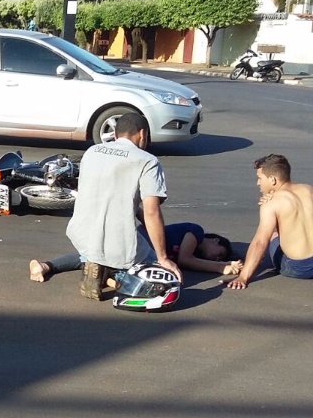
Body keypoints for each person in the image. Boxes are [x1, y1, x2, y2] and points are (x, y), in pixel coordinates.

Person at [65, 113, 182, 300]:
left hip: (82, 235)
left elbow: (111, 197)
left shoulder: (92, 152)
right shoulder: (147, 161)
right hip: (117, 243)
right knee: (158, 277)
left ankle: (93, 262)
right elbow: (152, 211)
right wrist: (163, 258)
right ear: (142, 134)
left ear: (115, 134)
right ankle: (118, 277)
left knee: (99, 250)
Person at [31, 223, 243, 282]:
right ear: (215, 239)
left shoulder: (198, 247)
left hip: (138, 247)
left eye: (218, 259)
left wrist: (220, 266)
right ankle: (106, 276)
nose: (216, 257)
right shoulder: (196, 232)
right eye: (219, 253)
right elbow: (186, 260)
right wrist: (221, 267)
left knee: (92, 258)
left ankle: (46, 266)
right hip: (140, 242)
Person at [228, 154, 313, 288]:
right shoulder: (308, 189)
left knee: (273, 236)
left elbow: (260, 242)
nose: (258, 183)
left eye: (260, 178)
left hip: (300, 268)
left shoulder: (272, 203)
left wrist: (243, 277)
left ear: (273, 179)